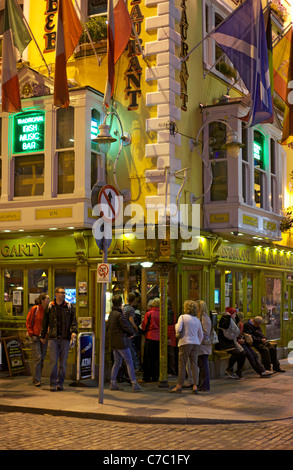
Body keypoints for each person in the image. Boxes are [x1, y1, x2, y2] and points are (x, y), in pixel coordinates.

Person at [40, 287, 77, 391]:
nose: (63, 294)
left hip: (65, 338)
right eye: (61, 293)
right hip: (53, 338)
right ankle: (52, 383)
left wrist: (74, 331)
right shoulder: (50, 306)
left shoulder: (69, 306)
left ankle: (60, 383)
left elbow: (74, 320)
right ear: (56, 294)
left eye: (64, 293)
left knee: (63, 363)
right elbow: (45, 322)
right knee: (53, 362)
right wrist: (42, 335)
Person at [108, 295, 141, 391]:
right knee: (129, 362)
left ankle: (113, 382)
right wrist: (131, 333)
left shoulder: (111, 314)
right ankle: (134, 383)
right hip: (121, 342)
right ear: (120, 303)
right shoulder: (119, 315)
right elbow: (126, 326)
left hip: (114, 342)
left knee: (117, 363)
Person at [170, 300, 203, 394]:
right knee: (194, 365)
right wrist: (197, 342)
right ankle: (195, 386)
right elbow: (201, 334)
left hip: (185, 342)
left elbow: (178, 328)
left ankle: (179, 386)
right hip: (195, 343)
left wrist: (176, 325)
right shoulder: (197, 320)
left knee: (182, 365)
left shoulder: (182, 317)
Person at [237, 312, 273, 378]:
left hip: (243, 342)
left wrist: (263, 338)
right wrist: (239, 340)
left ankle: (263, 370)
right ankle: (261, 371)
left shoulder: (240, 324)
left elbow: (259, 333)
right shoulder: (243, 325)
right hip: (239, 343)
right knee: (250, 355)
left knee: (255, 355)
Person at [26, 293, 50, 386]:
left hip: (44, 337)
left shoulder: (48, 310)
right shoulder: (35, 309)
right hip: (35, 336)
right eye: (47, 299)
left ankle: (38, 378)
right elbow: (28, 321)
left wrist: (46, 335)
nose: (48, 300)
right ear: (42, 300)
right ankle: (37, 379)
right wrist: (31, 333)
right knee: (38, 357)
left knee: (42, 358)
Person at [215, 307, 246, 379]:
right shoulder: (226, 319)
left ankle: (239, 371)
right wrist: (228, 316)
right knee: (237, 353)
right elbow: (225, 326)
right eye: (234, 314)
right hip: (224, 343)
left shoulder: (233, 320)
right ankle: (229, 368)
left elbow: (237, 321)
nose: (235, 316)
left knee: (243, 353)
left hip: (232, 342)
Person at [141, 297, 160, 382]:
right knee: (156, 358)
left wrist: (143, 332)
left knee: (148, 358)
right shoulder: (162, 314)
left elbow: (144, 325)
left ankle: (147, 377)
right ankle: (155, 376)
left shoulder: (149, 314)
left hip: (150, 336)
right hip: (159, 337)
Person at [196, 300, 212, 391]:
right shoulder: (200, 317)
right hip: (201, 344)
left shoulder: (204, 317)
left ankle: (204, 385)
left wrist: (199, 341)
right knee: (201, 365)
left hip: (203, 345)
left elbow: (206, 332)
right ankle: (202, 384)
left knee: (203, 365)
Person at [167, 297, 177, 376]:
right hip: (171, 334)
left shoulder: (169, 312)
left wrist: (167, 336)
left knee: (170, 354)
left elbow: (169, 325)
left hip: (170, 334)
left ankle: (171, 370)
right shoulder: (172, 311)